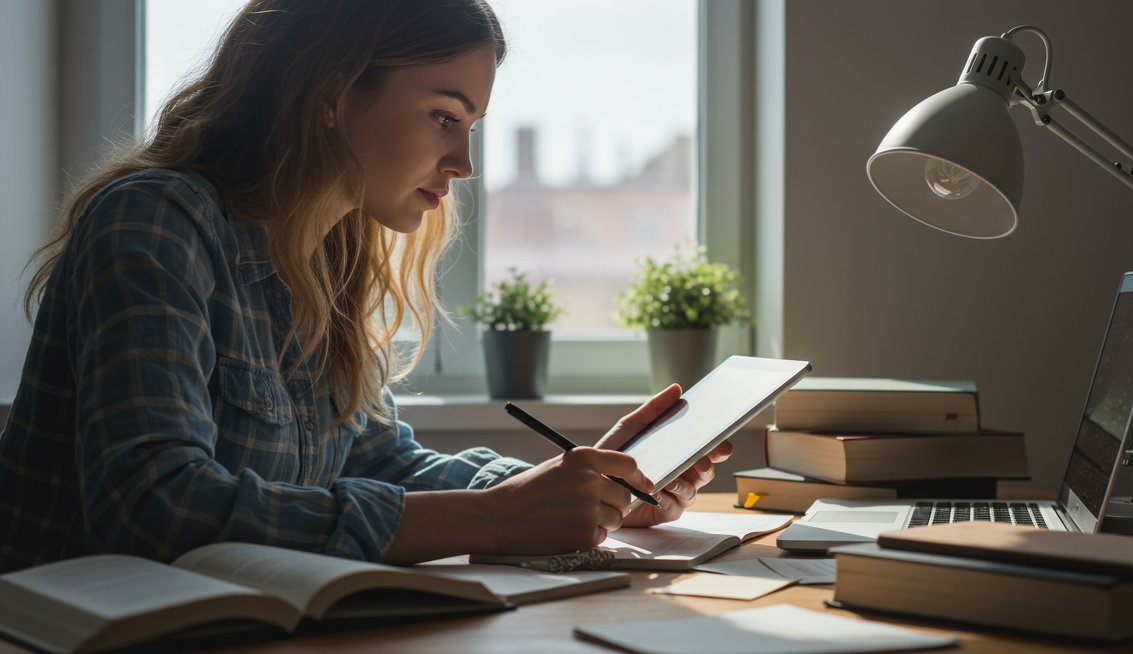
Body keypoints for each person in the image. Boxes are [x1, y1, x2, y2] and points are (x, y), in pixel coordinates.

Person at [0, 0, 731, 573]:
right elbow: (152, 505)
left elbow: (382, 460)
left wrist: (581, 493)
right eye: (444, 116)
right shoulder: (155, 223)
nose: (464, 163)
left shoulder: (327, 262)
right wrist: (499, 518)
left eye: (471, 125)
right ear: (333, 93)